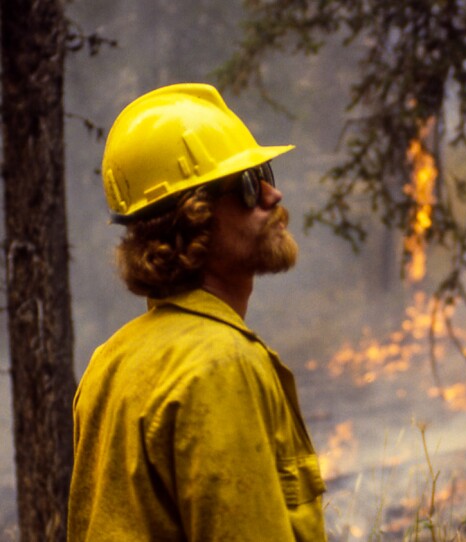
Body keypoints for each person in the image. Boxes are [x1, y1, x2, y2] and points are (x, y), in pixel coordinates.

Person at [68, 83, 327, 541]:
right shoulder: (220, 365)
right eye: (248, 185)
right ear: (192, 216)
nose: (273, 195)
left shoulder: (110, 362)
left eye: (265, 172)